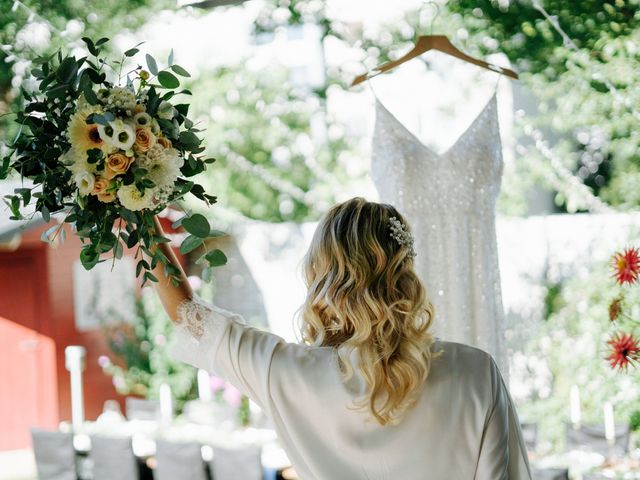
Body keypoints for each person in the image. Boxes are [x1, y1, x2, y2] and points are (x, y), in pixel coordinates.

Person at [151, 197, 532, 479]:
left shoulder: (285, 372)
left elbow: (187, 315)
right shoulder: (475, 371)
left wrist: (140, 219)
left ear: (321, 276)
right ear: (404, 271)